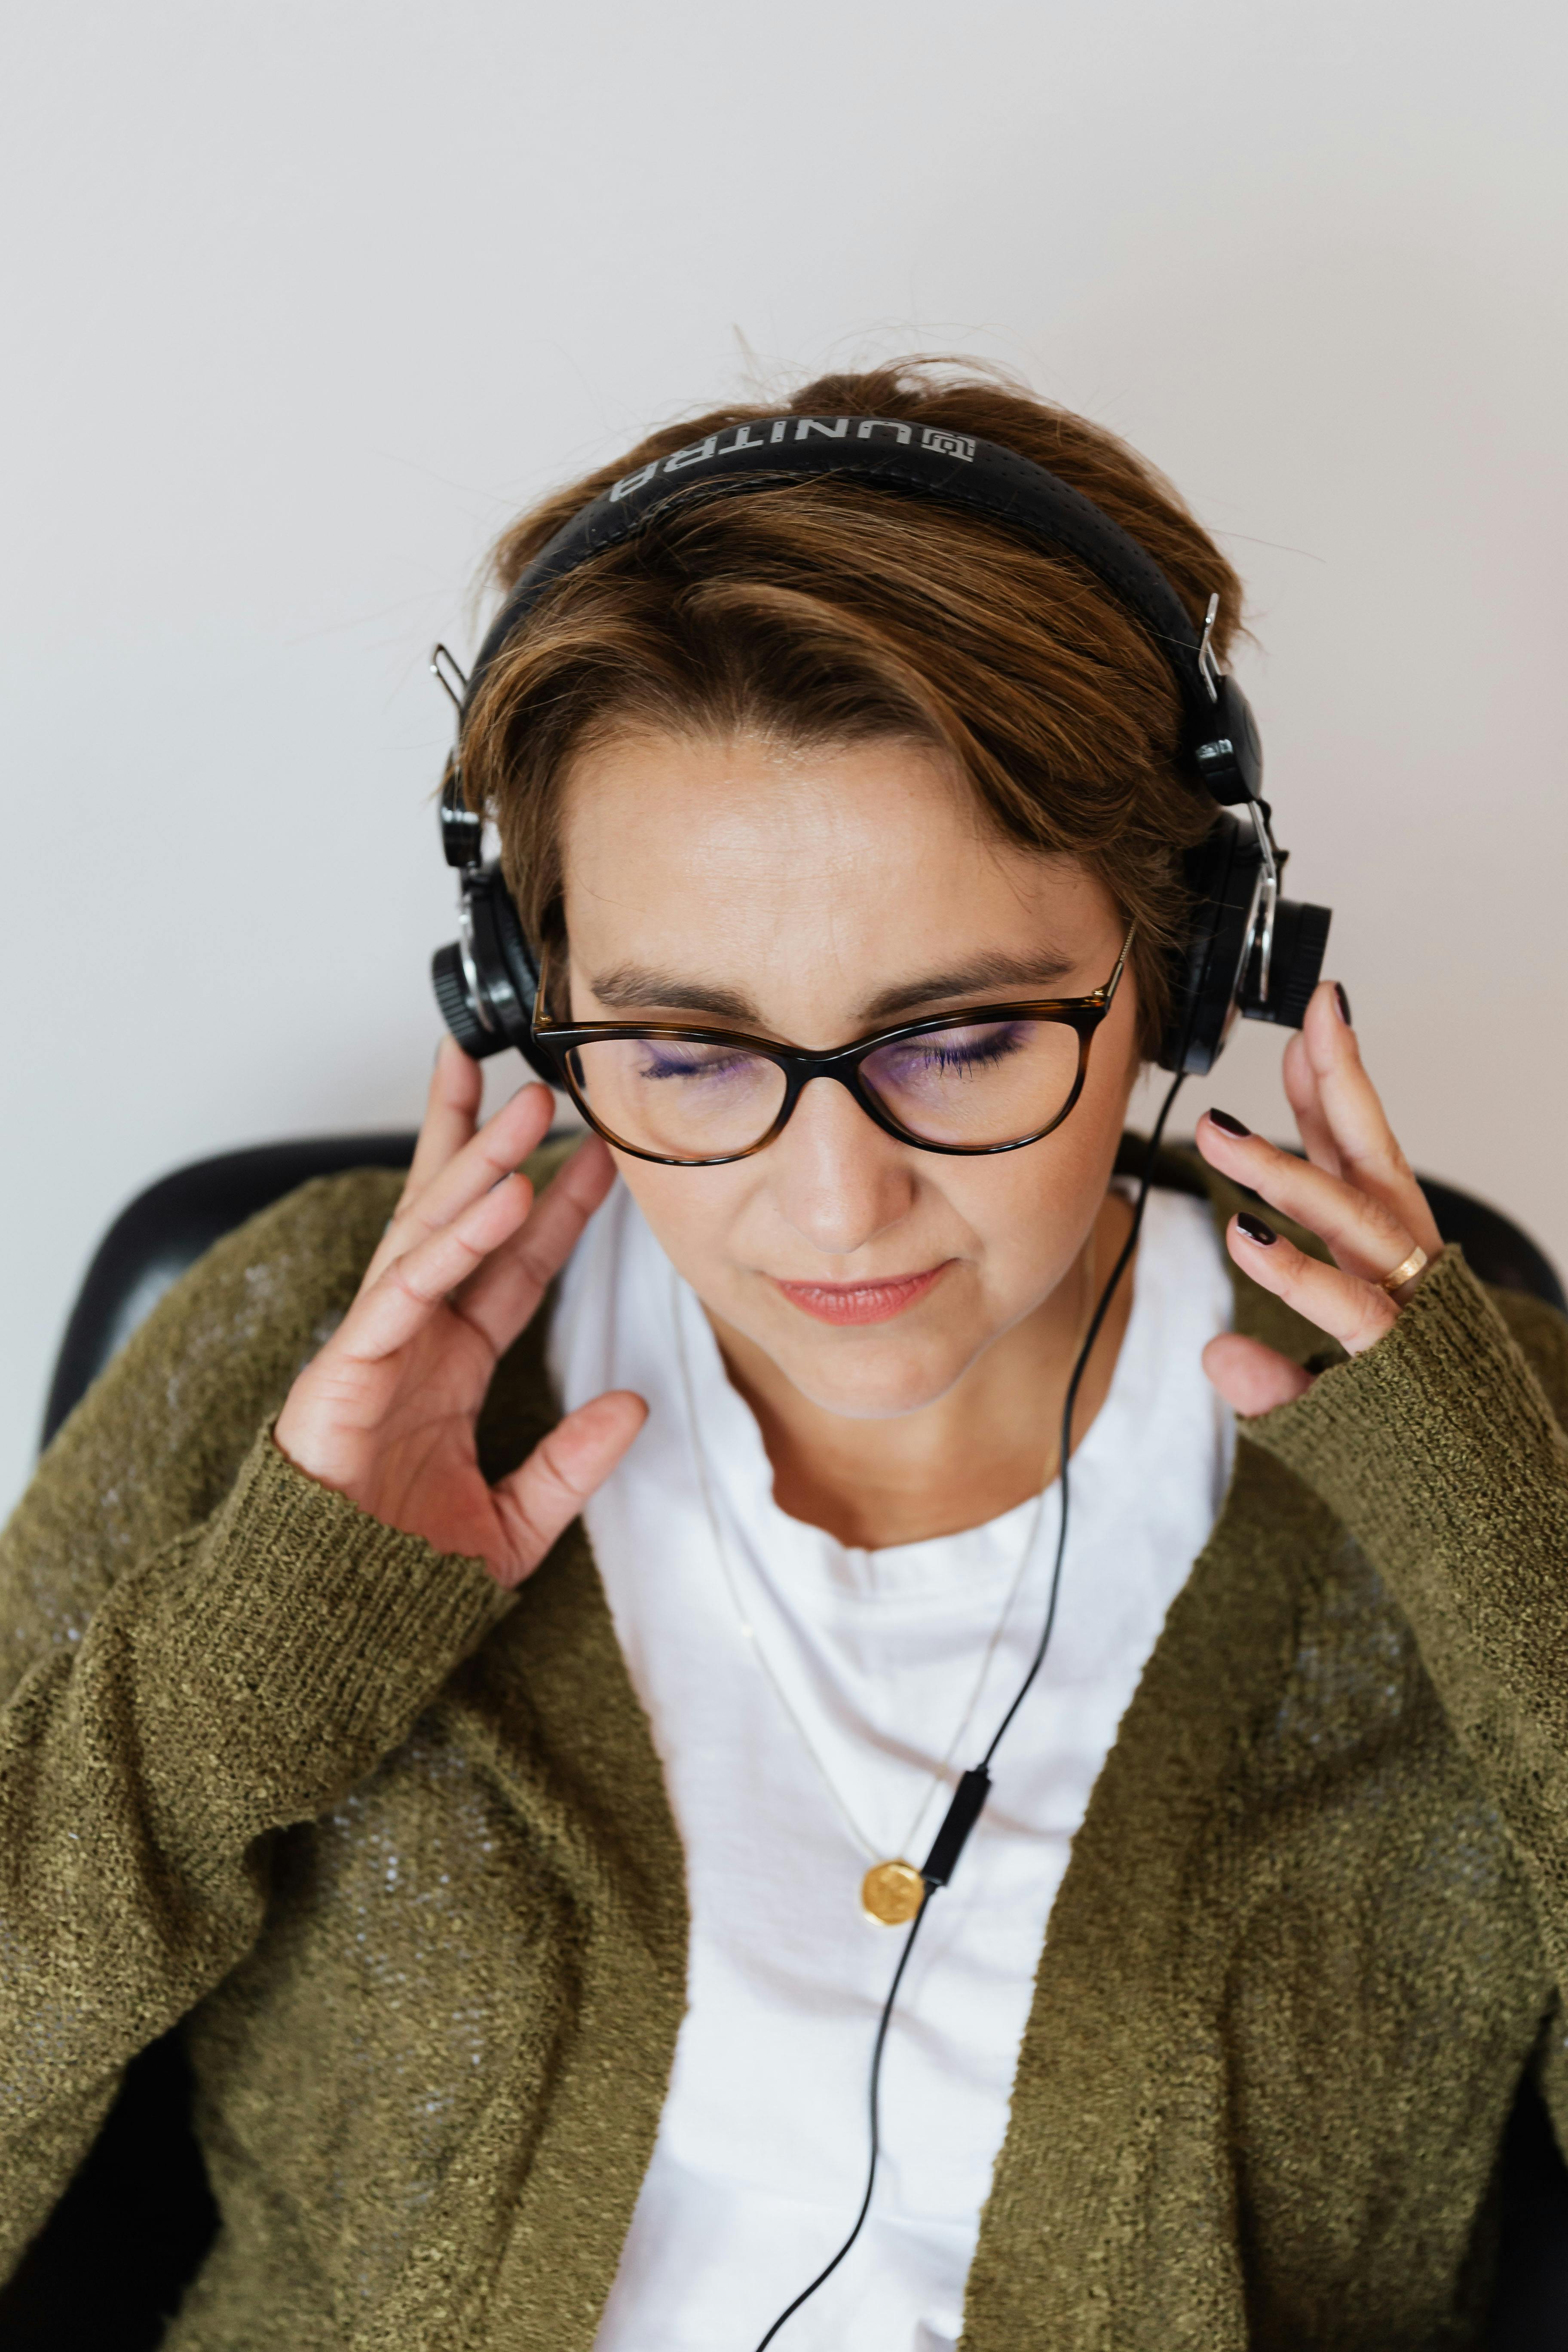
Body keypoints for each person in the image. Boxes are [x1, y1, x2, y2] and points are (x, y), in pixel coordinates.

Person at [3, 362, 1564, 2352]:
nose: (833, 1209)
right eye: (684, 1051)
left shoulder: (1492, 1451)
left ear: (1177, 973)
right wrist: (238, 1683)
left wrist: (1524, 1590)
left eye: (962, 1038)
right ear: (526, 993)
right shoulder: (311, 1342)